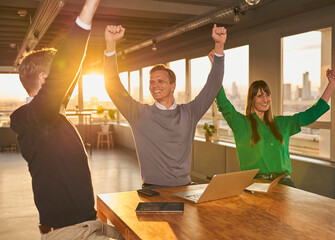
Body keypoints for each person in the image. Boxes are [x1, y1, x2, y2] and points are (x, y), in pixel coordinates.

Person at [10, 0, 123, 239]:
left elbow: (66, 78)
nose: (64, 86)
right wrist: (90, 6)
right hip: (71, 233)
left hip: (85, 225)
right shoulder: (36, 118)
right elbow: (65, 71)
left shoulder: (49, 118)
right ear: (44, 79)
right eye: (54, 79)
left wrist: (110, 45)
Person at [103, 24, 227, 188]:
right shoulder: (139, 114)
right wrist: (110, 45)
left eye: (160, 81)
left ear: (172, 86)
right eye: (152, 82)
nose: (155, 86)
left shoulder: (189, 113)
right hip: (153, 190)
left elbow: (213, 85)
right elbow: (113, 87)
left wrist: (219, 46)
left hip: (185, 188)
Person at [212, 50, 335, 187]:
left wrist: (332, 84)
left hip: (284, 183)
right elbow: (223, 103)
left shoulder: (282, 123)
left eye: (267, 95)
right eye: (260, 96)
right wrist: (216, 68)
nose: (265, 99)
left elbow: (310, 115)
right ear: (251, 100)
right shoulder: (241, 124)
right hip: (256, 184)